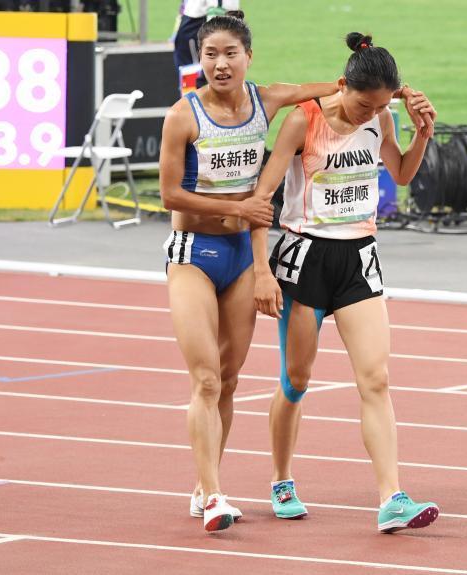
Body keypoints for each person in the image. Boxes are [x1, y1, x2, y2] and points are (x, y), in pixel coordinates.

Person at [158, 11, 349, 533]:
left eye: (229, 54)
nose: (219, 64)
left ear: (248, 58)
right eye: (210, 54)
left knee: (228, 379)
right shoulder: (183, 115)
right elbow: (169, 195)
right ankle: (216, 495)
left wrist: (386, 89)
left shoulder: (267, 101)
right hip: (193, 252)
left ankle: (205, 481)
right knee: (202, 379)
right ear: (200, 59)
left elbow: (332, 88)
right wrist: (240, 209)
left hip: (243, 257)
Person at [250, 31, 440, 533]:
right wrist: (260, 271)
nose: (367, 115)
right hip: (305, 257)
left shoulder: (381, 116)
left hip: (359, 256)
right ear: (342, 86)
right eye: (361, 104)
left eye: (378, 106)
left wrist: (421, 132)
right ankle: (282, 478)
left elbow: (399, 174)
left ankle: (391, 497)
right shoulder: (301, 121)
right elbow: (261, 199)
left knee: (375, 379)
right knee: (296, 382)